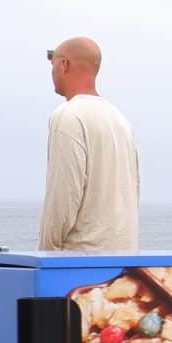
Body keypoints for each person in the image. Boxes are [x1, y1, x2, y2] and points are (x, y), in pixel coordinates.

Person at [39, 36, 142, 252]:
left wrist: (46, 254)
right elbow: (135, 189)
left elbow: (64, 196)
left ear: (64, 65)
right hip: (123, 262)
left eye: (52, 63)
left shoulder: (68, 116)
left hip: (79, 261)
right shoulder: (120, 120)